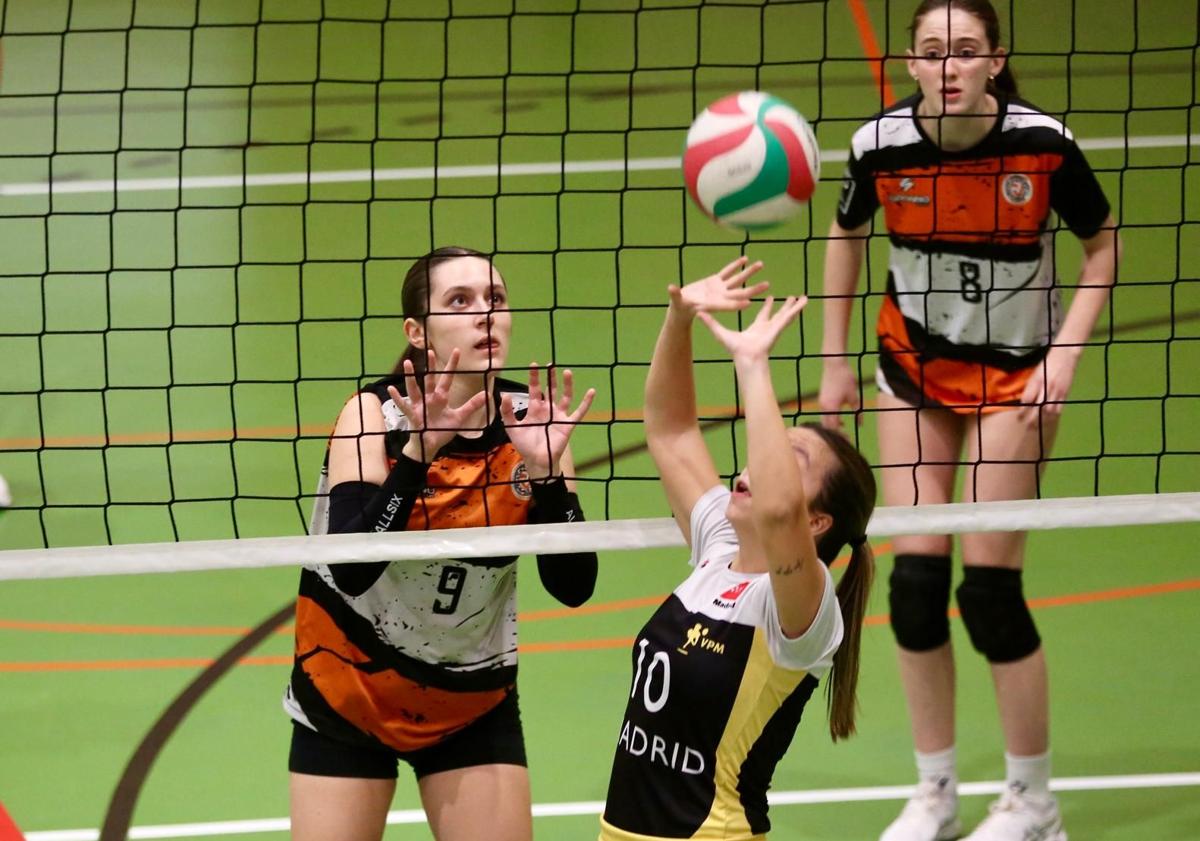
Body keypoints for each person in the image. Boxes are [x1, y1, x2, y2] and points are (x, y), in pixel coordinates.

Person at [818, 2, 1121, 840]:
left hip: (1014, 383)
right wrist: (835, 355)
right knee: (914, 590)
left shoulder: (1043, 144)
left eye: (964, 52)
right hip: (911, 370)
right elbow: (847, 233)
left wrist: (1064, 353)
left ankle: (1033, 803)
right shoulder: (880, 146)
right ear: (910, 65)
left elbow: (1104, 245)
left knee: (988, 594)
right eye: (931, 53)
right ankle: (936, 791)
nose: (947, 67)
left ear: (994, 61)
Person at [283, 246, 598, 841]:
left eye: (495, 299)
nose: (485, 314)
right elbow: (352, 570)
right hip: (347, 689)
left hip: (469, 699)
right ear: (417, 331)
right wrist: (417, 456)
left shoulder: (533, 422)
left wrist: (551, 480)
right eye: (461, 301)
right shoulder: (371, 416)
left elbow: (574, 586)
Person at [599, 257, 877, 841]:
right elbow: (671, 429)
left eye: (786, 459)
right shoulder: (718, 549)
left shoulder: (801, 609)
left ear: (818, 521)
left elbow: (779, 511)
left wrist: (753, 367)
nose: (752, 465)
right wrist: (680, 319)